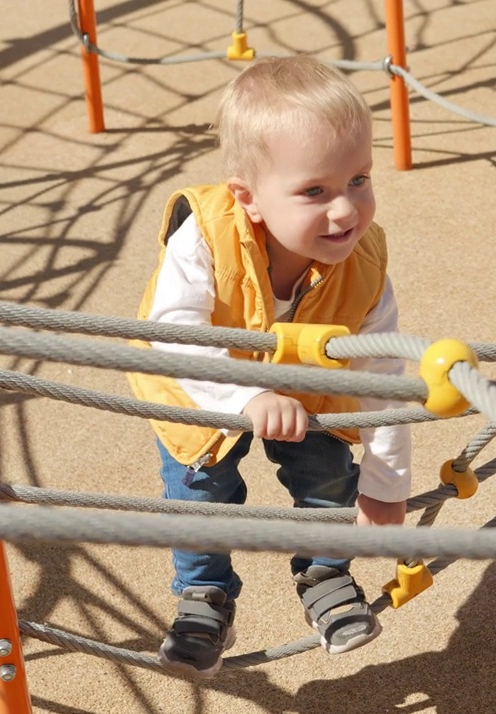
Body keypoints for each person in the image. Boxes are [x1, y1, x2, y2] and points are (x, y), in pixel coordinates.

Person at [127, 54, 411, 679]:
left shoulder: (363, 261)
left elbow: (386, 375)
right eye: (315, 190)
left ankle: (326, 575)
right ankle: (205, 596)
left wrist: (386, 484)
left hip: (307, 383)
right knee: (199, 491)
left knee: (329, 478)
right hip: (200, 383)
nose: (345, 211)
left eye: (359, 179)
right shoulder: (202, 239)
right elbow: (174, 335)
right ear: (248, 199)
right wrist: (245, 398)